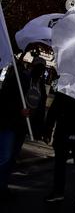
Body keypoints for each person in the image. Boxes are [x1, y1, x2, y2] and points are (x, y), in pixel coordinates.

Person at [0, 57, 46, 198]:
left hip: (23, 127)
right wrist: (18, 109)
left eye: (42, 68)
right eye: (38, 66)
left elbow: (40, 108)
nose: (40, 70)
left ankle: (3, 186)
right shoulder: (20, 79)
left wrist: (39, 130)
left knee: (12, 158)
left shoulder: (41, 86)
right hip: (10, 123)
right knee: (5, 157)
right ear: (32, 66)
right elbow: (4, 98)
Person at [44, 93, 75, 212]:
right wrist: (48, 129)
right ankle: (59, 192)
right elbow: (54, 109)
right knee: (60, 164)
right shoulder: (66, 88)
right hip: (64, 132)